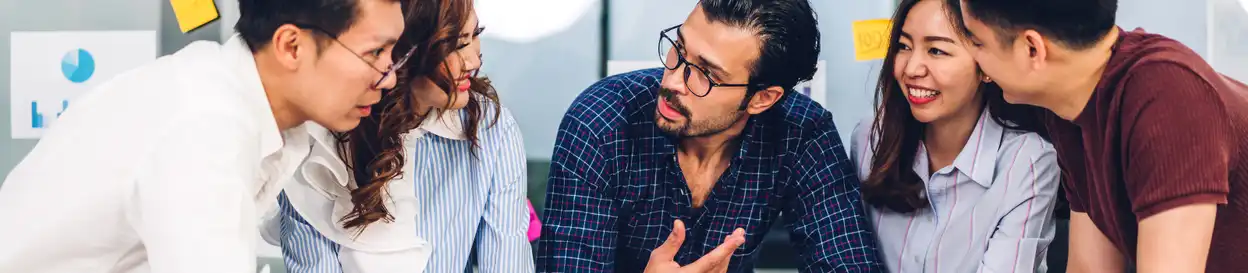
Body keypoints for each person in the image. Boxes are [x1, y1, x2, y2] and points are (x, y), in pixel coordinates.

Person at [0, 0, 408, 272]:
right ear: (291, 46)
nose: (389, 78)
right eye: (375, 53)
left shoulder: (222, 94)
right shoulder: (203, 126)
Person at [537, 0, 882, 272]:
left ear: (762, 98)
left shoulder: (801, 133)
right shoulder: (602, 121)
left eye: (706, 74)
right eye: (679, 49)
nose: (672, 81)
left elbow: (846, 261)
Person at [947, 0, 1248, 272]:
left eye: (977, 42)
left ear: (1032, 49)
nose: (974, 60)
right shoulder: (1071, 106)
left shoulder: (1167, 101)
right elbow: (1091, 267)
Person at [273, 0, 534, 272]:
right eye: (455, 45)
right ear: (404, 49)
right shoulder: (319, 143)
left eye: (475, 35)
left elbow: (508, 261)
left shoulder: (491, 127)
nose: (473, 61)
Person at [849, 0, 1059, 272]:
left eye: (936, 50)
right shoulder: (869, 139)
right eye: (904, 46)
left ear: (986, 65)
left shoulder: (1028, 161)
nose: (912, 69)